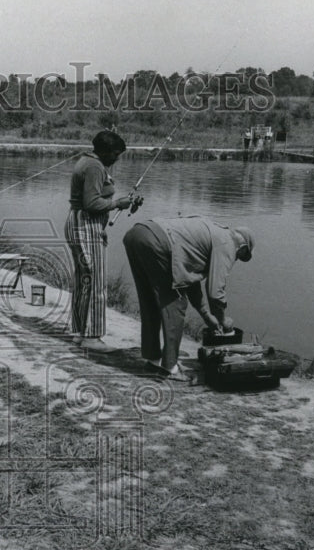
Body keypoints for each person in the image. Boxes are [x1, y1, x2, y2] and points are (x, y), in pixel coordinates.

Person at [123, 216, 253, 377]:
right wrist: (222, 320)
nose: (236, 259)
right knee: (175, 304)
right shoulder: (228, 243)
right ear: (243, 246)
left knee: (149, 299)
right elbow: (215, 292)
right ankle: (169, 367)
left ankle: (152, 360)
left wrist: (206, 315)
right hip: (159, 242)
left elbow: (190, 279)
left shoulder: (213, 232)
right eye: (241, 256)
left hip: (138, 233)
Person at [64, 130, 133, 352]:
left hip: (79, 222)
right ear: (104, 151)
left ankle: (80, 332)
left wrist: (122, 203)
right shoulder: (94, 167)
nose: (116, 158)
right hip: (86, 225)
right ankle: (92, 337)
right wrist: (117, 204)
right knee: (95, 281)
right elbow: (92, 203)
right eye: (115, 153)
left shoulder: (87, 161)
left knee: (85, 280)